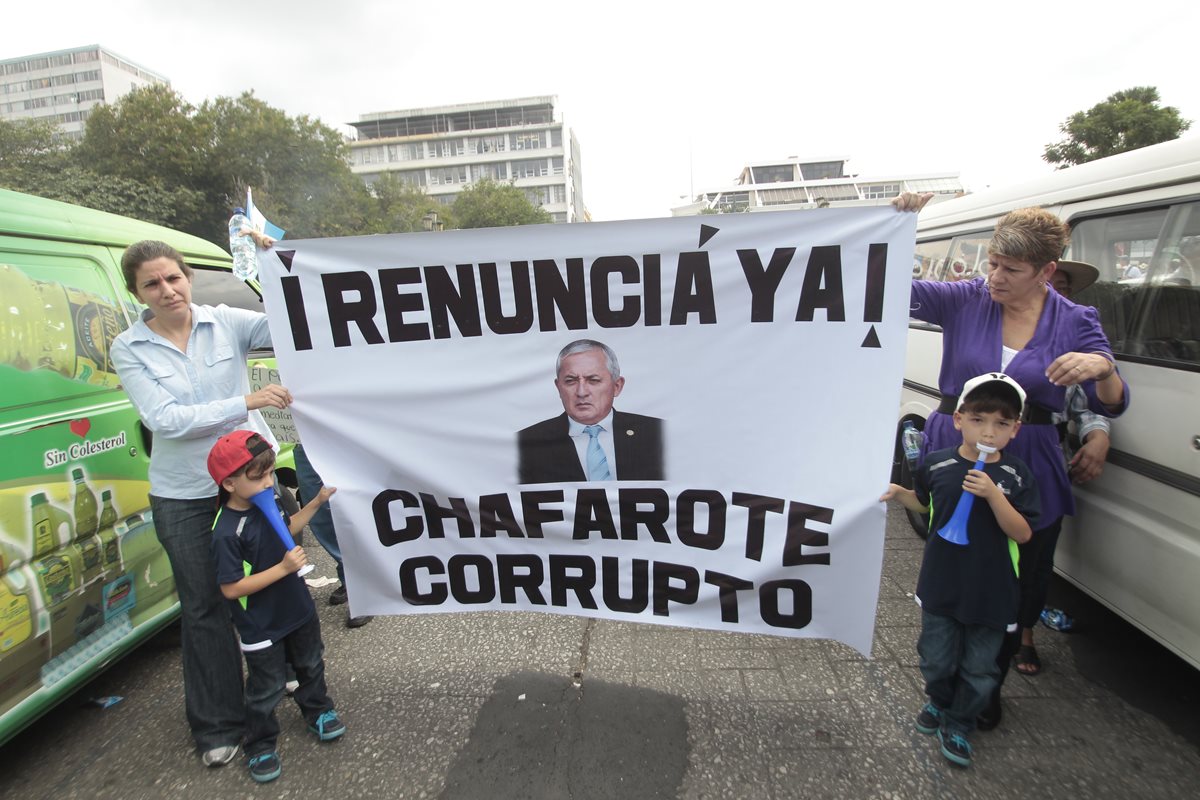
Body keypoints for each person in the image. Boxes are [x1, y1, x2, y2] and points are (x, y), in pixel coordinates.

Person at [892, 195, 1129, 720]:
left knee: (1018, 575)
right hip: (955, 452)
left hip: (1031, 460)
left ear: (1046, 271)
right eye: (991, 262)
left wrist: (1101, 367)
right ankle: (944, 683)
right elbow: (885, 290)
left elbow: (1111, 400)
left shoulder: (1076, 319)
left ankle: (987, 682)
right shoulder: (964, 299)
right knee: (953, 568)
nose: (994, 276)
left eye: (1010, 269)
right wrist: (896, 223)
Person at [111, 238, 290, 767]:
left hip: (252, 481)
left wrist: (274, 262)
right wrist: (246, 401)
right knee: (207, 607)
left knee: (275, 587)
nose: (166, 291)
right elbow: (164, 420)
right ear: (136, 292)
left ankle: (291, 688)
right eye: (152, 284)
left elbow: (292, 321)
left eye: (173, 278)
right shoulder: (130, 347)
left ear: (187, 277)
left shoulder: (226, 321)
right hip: (185, 493)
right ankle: (217, 725)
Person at [883, 373, 1040, 767]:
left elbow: (1022, 533)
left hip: (992, 591)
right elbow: (926, 504)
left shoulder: (1016, 475)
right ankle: (939, 700)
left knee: (980, 668)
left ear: (1015, 428)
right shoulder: (937, 464)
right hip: (942, 582)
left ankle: (960, 721)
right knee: (936, 657)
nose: (989, 432)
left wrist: (994, 495)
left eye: (1001, 424)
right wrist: (901, 494)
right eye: (978, 420)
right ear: (958, 419)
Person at [207, 430, 347, 783]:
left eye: (271, 473)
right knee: (266, 686)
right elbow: (231, 587)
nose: (271, 481)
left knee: (311, 663)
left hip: (297, 609)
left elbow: (288, 527)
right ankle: (260, 744)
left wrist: (315, 503)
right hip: (260, 624)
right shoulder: (226, 531)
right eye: (260, 477)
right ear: (229, 484)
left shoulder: (271, 499)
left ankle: (318, 710)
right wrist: (283, 569)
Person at [517, 339, 665, 484]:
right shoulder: (525, 444)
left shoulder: (659, 433)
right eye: (570, 381)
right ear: (558, 387)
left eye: (593, 380)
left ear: (617, 386)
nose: (581, 392)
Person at [1049, 261, 1113, 488]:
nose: (1054, 293)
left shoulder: (1078, 335)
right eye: (1046, 284)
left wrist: (1098, 436)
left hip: (1050, 463)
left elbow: (1085, 402)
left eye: (1062, 287)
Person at [293, 443, 372, 627]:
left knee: (354, 509)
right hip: (306, 439)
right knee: (318, 514)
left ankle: (363, 590)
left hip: (346, 436)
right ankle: (349, 576)